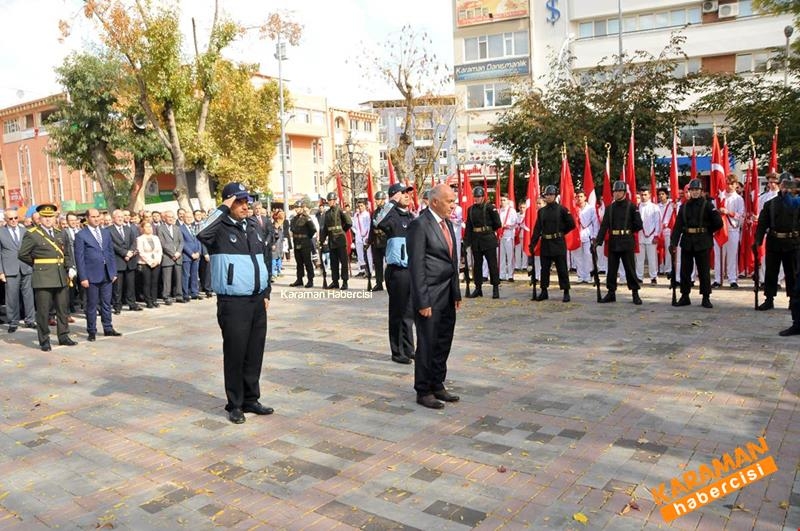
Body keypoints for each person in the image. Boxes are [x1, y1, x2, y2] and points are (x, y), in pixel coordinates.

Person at [197, 182, 273, 424]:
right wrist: (223, 208)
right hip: (233, 302)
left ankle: (251, 398)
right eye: (239, 201)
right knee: (235, 353)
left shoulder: (252, 226)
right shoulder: (218, 228)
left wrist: (266, 291)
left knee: (254, 352)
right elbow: (201, 232)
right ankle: (235, 403)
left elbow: (265, 260)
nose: (245, 205)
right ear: (229, 202)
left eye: (246, 201)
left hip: (256, 300)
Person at [407, 184, 461, 409]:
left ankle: (438, 383)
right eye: (449, 201)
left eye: (454, 201)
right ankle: (424, 389)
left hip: (447, 294)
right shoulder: (419, 225)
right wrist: (422, 301)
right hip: (430, 295)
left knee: (443, 340)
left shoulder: (447, 223)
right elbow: (416, 266)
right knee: (428, 343)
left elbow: (452, 261)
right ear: (434, 201)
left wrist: (456, 292)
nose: (453, 205)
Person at [17, 204, 77, 351]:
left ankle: (63, 336)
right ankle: (44, 340)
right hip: (43, 277)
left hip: (61, 275)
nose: (48, 220)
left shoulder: (60, 233)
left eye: (51, 217)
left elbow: (67, 253)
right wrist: (38, 265)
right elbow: (22, 254)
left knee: (62, 309)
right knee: (43, 311)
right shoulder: (32, 234)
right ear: (40, 219)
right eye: (45, 217)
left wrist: (70, 267)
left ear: (55, 218)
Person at [376, 183, 416, 364]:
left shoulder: (412, 217)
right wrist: (390, 202)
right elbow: (378, 221)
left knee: (409, 312)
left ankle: (409, 348)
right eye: (404, 193)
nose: (408, 195)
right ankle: (397, 351)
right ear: (394, 195)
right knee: (398, 313)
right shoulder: (391, 216)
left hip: (411, 270)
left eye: (409, 192)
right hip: (397, 271)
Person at [669, 179, 724, 308]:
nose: (694, 192)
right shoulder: (684, 206)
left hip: (703, 241)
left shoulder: (708, 205)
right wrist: (673, 243)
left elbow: (718, 223)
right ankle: (685, 296)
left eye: (697, 190)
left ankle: (706, 297)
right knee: (685, 271)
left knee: (703, 271)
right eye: (692, 190)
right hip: (687, 241)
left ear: (701, 191)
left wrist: (707, 231)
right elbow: (678, 226)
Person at [754, 174, 800, 312]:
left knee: (792, 273)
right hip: (774, 241)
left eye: (789, 185)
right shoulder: (770, 204)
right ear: (780, 185)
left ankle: (793, 299)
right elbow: (762, 224)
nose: (786, 188)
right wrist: (758, 241)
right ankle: (769, 298)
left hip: (792, 242)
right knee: (771, 272)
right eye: (784, 185)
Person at [74, 208, 121, 341]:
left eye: (97, 216)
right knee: (92, 304)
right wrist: (83, 277)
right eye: (93, 217)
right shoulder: (81, 235)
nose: (96, 219)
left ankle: (108, 327)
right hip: (91, 275)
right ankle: (92, 330)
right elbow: (79, 258)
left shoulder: (105, 233)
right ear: (87, 218)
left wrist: (113, 272)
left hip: (107, 274)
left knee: (107, 303)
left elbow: (110, 253)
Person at [594, 181, 644, 305]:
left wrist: (628, 231)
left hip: (627, 241)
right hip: (614, 241)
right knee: (611, 269)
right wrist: (598, 241)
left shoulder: (631, 207)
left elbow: (639, 224)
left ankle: (635, 293)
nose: (617, 193)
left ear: (624, 193)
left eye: (619, 191)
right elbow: (604, 226)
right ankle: (611, 293)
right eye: (615, 191)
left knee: (630, 269)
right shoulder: (610, 208)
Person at [529, 185, 576, 302]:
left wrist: (561, 232)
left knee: (562, 268)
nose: (549, 197)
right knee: (544, 269)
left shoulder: (562, 209)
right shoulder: (541, 212)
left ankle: (566, 291)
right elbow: (537, 228)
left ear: (555, 195)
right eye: (547, 195)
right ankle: (544, 291)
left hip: (558, 242)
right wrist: (532, 243)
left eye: (551, 194)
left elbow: (571, 224)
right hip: (546, 242)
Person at [0, 208, 36, 332]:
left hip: (26, 267)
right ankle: (13, 321)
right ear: (5, 220)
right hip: (10, 269)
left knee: (28, 295)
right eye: (11, 219)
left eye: (16, 218)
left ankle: (30, 320)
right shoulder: (1, 232)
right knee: (12, 297)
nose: (14, 220)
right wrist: (1, 272)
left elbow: (31, 249)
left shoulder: (25, 231)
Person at [464, 186, 502, 299]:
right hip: (476, 240)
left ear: (483, 197)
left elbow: (497, 223)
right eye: (475, 196)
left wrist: (488, 230)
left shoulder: (490, 208)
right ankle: (478, 288)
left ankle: (495, 287)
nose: (477, 199)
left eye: (479, 196)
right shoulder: (470, 209)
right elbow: (469, 227)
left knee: (492, 265)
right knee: (477, 266)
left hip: (488, 239)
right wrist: (466, 242)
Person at [713, 174, 745, 289]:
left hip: (732, 229)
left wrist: (728, 212)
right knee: (718, 255)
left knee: (732, 255)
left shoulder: (739, 199)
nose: (729, 186)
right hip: (719, 230)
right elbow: (712, 212)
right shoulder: (719, 197)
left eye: (732, 184)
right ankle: (718, 278)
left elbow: (741, 215)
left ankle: (732, 278)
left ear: (736, 185)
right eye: (727, 183)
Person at [109, 209, 141, 313]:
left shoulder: (128, 229)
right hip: (118, 261)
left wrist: (130, 252)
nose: (120, 219)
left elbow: (134, 242)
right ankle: (117, 306)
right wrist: (124, 253)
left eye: (122, 217)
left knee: (131, 285)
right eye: (118, 217)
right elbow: (112, 245)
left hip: (130, 261)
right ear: (113, 219)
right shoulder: (108, 230)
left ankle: (132, 303)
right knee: (118, 287)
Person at [320, 192, 352, 290]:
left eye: (331, 200)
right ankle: (335, 281)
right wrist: (321, 239)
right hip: (332, 241)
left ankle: (345, 282)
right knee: (334, 263)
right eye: (328, 201)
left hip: (340, 240)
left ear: (335, 200)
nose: (329, 202)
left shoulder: (340, 210)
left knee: (343, 262)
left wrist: (342, 231)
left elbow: (349, 223)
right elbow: (325, 228)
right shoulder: (327, 213)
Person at [636, 188, 662, 285]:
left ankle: (653, 277)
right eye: (642, 194)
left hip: (651, 236)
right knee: (639, 258)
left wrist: (656, 235)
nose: (643, 196)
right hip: (640, 236)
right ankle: (639, 277)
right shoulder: (637, 207)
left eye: (645, 194)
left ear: (650, 195)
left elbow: (658, 223)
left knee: (652, 258)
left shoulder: (655, 207)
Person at [158, 210, 184, 305]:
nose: (171, 219)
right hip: (167, 257)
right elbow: (162, 243)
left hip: (178, 257)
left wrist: (178, 253)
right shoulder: (160, 228)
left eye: (172, 217)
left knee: (178, 278)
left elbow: (181, 242)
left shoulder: (177, 228)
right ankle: (166, 296)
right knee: (167, 279)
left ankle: (179, 295)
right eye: (169, 217)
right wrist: (173, 253)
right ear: (164, 218)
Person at [289, 200, 316, 287]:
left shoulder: (306, 218)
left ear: (302, 208)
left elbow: (313, 229)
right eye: (296, 208)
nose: (297, 209)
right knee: (299, 262)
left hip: (305, 243)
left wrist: (307, 237)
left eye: (298, 207)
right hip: (297, 242)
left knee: (307, 262)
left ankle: (310, 280)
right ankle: (299, 279)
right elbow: (292, 230)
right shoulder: (294, 219)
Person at [136, 221, 163, 308]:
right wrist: (150, 262)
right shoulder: (140, 239)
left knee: (154, 282)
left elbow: (160, 250)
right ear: (142, 228)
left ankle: (154, 299)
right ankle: (148, 301)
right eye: (147, 227)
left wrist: (157, 260)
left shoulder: (156, 238)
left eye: (150, 227)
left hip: (156, 262)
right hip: (145, 263)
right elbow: (141, 252)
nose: (149, 228)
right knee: (147, 282)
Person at [575, 191, 598, 284]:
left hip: (588, 234)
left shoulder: (590, 209)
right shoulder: (575, 209)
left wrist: (595, 235)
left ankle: (588, 275)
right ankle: (580, 275)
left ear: (585, 197)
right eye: (578, 196)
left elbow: (595, 222)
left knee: (588, 256)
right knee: (578, 256)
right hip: (577, 236)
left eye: (581, 196)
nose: (579, 198)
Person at [179, 210, 202, 301]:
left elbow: (198, 240)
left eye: (190, 217)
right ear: (183, 218)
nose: (189, 219)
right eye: (187, 217)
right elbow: (183, 243)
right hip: (187, 256)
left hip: (196, 255)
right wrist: (191, 253)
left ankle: (194, 292)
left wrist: (199, 252)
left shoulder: (194, 227)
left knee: (194, 274)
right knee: (186, 275)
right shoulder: (180, 228)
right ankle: (185, 293)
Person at [369, 191, 388, 292]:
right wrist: (369, 241)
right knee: (377, 263)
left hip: (386, 240)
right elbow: (371, 227)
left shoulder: (388, 211)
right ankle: (379, 283)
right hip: (376, 241)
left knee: (389, 263)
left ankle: (390, 282)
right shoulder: (374, 212)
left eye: (378, 199)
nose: (376, 201)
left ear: (383, 199)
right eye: (376, 199)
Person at [497, 195, 518, 282]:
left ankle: (510, 275)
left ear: (508, 201)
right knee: (501, 256)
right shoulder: (499, 210)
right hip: (501, 235)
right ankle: (501, 274)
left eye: (504, 200)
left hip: (509, 235)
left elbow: (515, 223)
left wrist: (506, 225)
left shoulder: (512, 211)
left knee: (510, 256)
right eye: (501, 200)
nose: (502, 202)